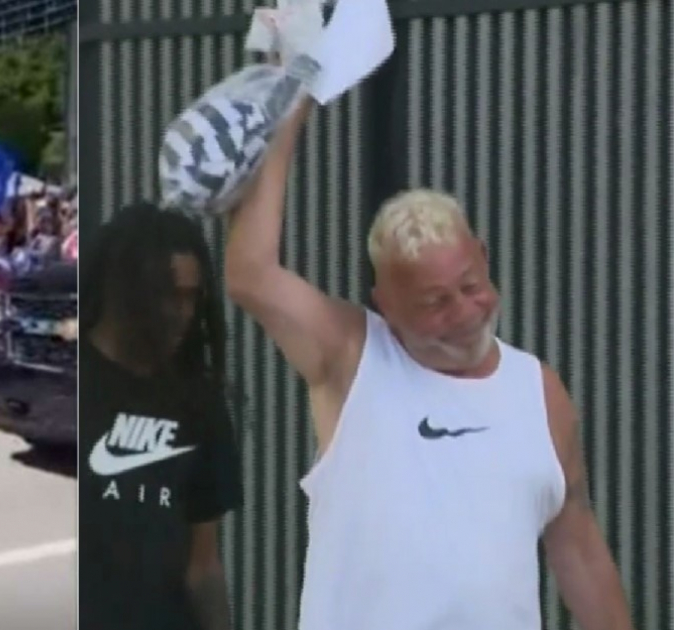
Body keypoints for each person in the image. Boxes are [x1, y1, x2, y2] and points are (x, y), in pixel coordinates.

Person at [224, 101, 633, 629]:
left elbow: (577, 546)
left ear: (484, 255)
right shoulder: (353, 358)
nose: (464, 313)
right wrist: (292, 103)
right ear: (385, 305)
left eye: (470, 285)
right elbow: (249, 274)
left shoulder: (540, 391)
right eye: (435, 303)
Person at [81, 203, 242, 630]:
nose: (181, 313)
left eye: (191, 296)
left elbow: (203, 567)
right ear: (123, 290)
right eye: (165, 293)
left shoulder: (198, 402)